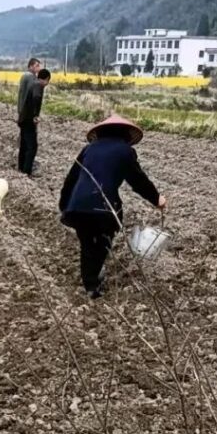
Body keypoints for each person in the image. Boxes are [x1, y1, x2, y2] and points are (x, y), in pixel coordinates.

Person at [59, 113, 166, 299]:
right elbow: (138, 180)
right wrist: (157, 199)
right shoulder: (125, 151)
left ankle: (90, 283)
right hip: (104, 207)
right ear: (125, 134)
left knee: (87, 244)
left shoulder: (88, 149)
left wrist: (64, 204)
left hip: (78, 206)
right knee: (103, 242)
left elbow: (71, 179)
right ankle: (94, 280)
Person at [17, 68, 51, 176]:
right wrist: (35, 116)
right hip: (28, 121)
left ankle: (21, 168)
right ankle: (27, 172)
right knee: (32, 147)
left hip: (23, 119)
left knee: (24, 145)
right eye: (48, 81)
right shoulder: (38, 86)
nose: (47, 84)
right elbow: (36, 97)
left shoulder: (33, 84)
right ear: (46, 79)